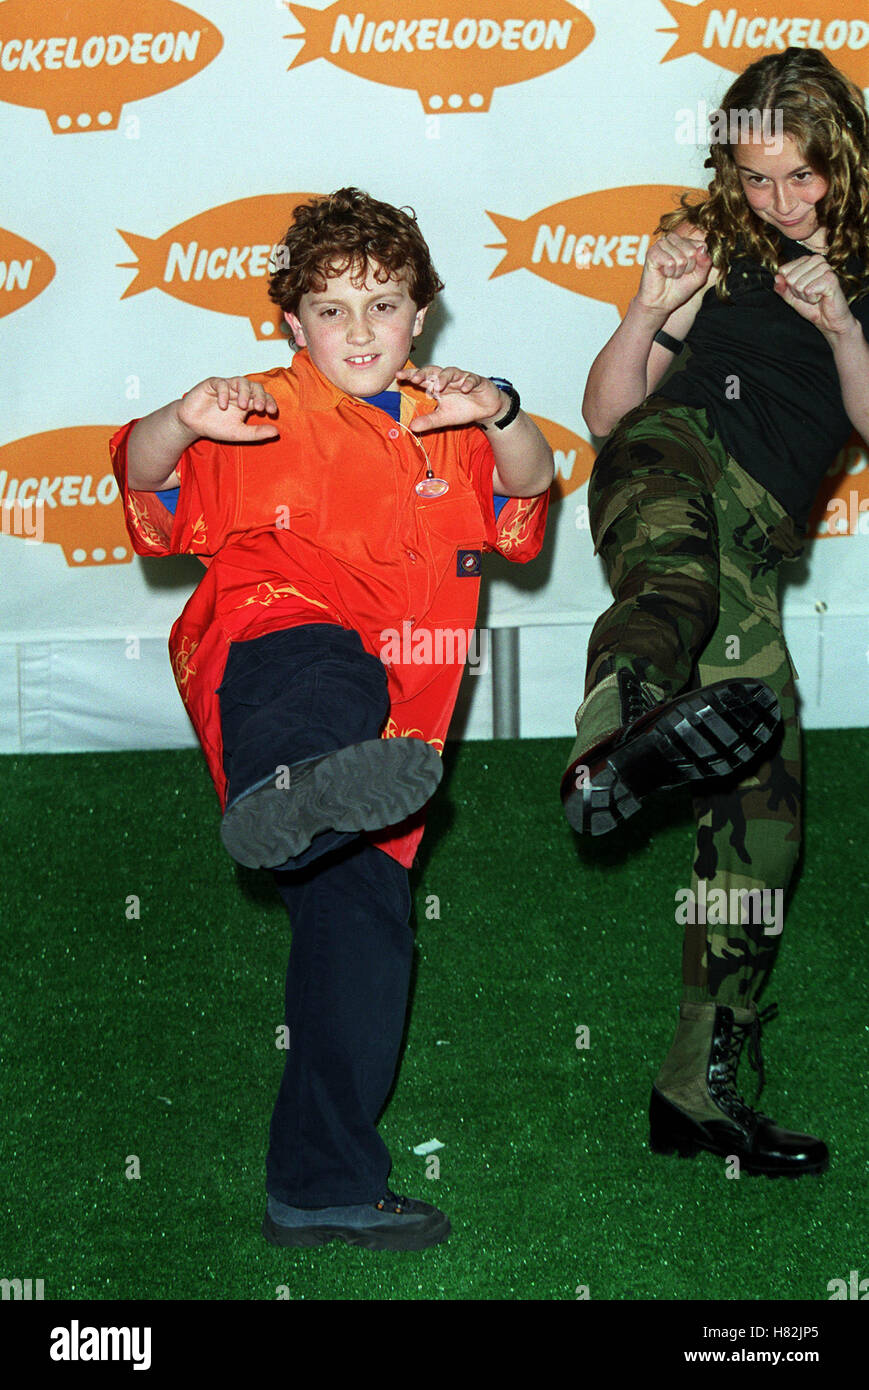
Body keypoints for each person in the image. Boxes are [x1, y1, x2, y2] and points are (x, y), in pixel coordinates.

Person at [109, 188, 553, 1249]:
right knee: (324, 673)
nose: (360, 330)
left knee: (364, 941)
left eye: (384, 305)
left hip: (399, 733)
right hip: (271, 656)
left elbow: (529, 499)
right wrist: (178, 420)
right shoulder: (254, 408)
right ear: (291, 325)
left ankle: (318, 1182)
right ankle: (284, 787)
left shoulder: (447, 413)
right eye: (331, 308)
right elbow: (142, 478)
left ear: (420, 314)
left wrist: (498, 410)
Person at [561, 48, 869, 1176]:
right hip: (666, 457)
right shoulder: (720, 246)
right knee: (671, 584)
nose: (776, 203)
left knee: (764, 821)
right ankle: (609, 742)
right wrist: (648, 303)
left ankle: (694, 1089)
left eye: (799, 178)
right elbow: (606, 413)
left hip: (755, 535)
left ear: (839, 158)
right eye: (753, 180)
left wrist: (843, 328)